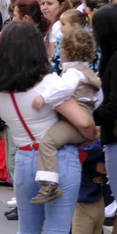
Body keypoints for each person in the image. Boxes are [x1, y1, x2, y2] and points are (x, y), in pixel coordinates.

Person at [0, 21, 98, 234]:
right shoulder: (48, 82)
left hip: (23, 157)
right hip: (57, 158)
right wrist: (90, 133)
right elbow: (83, 122)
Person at [30, 28, 101, 204]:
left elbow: (63, 89)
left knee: (48, 142)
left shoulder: (72, 73)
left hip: (73, 121)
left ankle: (49, 184)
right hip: (87, 116)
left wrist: (44, 97)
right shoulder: (88, 73)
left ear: (66, 52)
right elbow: (99, 99)